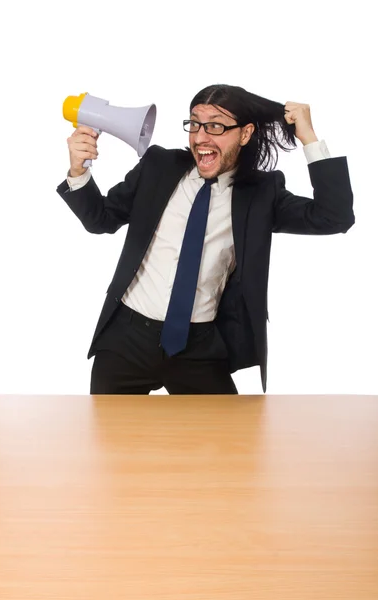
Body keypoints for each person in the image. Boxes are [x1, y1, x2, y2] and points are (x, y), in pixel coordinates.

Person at [56, 84, 355, 395]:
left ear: (244, 133)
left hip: (198, 347)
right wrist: (78, 169)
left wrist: (309, 137)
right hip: (125, 341)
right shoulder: (159, 166)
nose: (200, 137)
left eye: (215, 125)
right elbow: (99, 220)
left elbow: (334, 217)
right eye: (195, 123)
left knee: (226, 441)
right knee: (108, 441)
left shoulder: (262, 194)